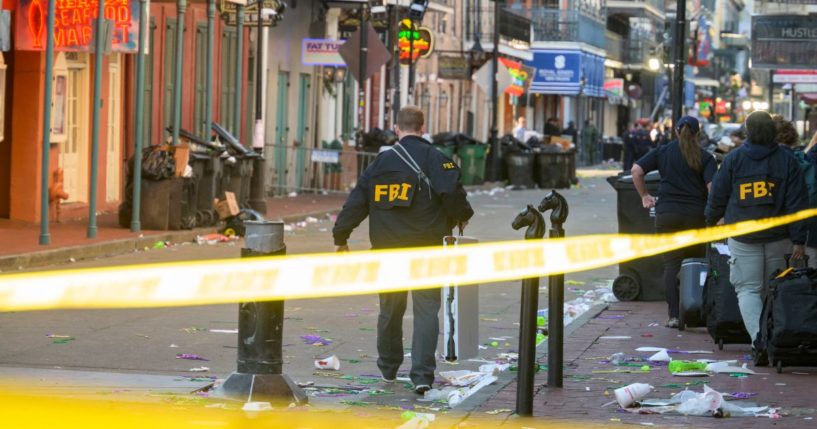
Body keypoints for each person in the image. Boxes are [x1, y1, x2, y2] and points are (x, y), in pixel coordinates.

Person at [332, 106, 474, 394]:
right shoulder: (436, 159)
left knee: (390, 309)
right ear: (423, 128)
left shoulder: (379, 164)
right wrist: (463, 215)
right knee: (425, 311)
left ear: (397, 129)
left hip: (387, 250)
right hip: (427, 248)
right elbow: (453, 194)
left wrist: (341, 237)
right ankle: (421, 376)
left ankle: (388, 368)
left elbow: (356, 203)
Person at [705, 111, 807, 358]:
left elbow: (718, 194)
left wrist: (710, 221)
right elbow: (797, 203)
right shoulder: (787, 160)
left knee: (748, 289)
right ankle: (775, 338)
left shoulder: (734, 159)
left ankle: (759, 341)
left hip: (743, 237)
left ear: (748, 131)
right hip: (778, 236)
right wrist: (798, 240)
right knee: (774, 288)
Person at [631, 116, 717, 328]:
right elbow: (712, 188)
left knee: (671, 265)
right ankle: (694, 312)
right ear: (697, 133)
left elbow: (636, 171)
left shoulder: (663, 151)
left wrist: (644, 196)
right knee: (695, 264)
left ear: (677, 132)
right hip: (695, 216)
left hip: (667, 214)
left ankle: (673, 315)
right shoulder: (705, 157)